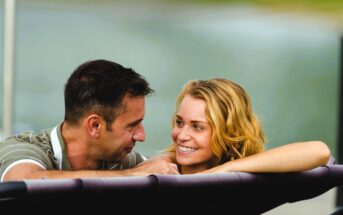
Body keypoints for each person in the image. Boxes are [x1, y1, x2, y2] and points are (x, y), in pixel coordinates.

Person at [0, 59, 179, 182]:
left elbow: (164, 164)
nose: (141, 136)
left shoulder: (118, 160)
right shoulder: (22, 147)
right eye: (132, 125)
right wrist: (133, 175)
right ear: (95, 125)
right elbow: (24, 179)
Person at [166, 78, 331, 174]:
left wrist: (226, 170)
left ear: (228, 131)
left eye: (197, 127)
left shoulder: (242, 175)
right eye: (179, 122)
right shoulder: (160, 168)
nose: (181, 136)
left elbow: (320, 151)